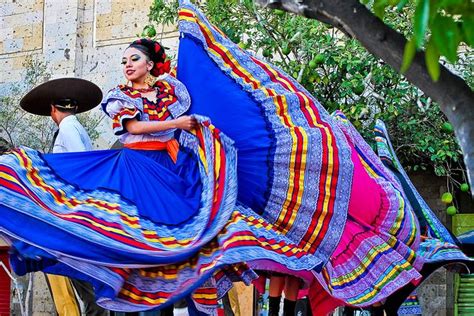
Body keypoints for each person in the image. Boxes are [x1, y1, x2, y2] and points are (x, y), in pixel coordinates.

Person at [0, 3, 470, 316]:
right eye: (122, 59)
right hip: (139, 166)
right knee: (121, 226)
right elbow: (129, 130)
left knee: (214, 231)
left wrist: (194, 130)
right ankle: (47, 222)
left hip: (174, 169)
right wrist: (178, 127)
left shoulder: (167, 91)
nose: (125, 65)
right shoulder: (120, 101)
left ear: (149, 64)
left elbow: (194, 115)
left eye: (131, 58)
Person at [19, 78, 107, 316]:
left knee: (70, 271)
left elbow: (79, 165)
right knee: (76, 275)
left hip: (71, 211)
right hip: (73, 210)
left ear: (52, 110)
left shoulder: (68, 128)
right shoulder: (75, 127)